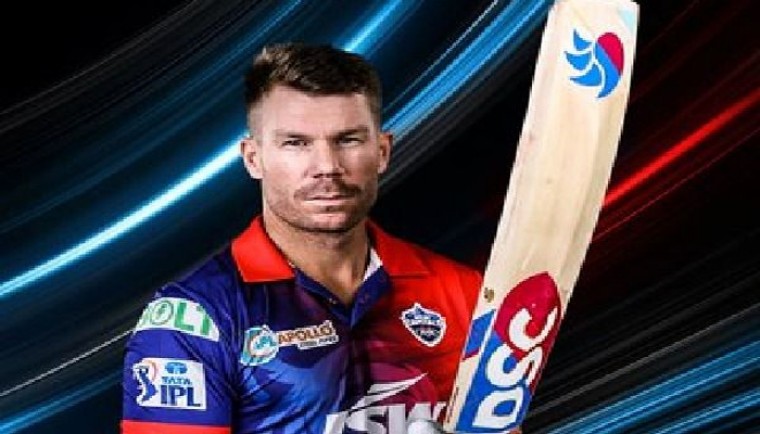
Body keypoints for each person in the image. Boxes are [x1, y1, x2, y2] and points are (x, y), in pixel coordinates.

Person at [122, 43, 486, 434]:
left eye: (348, 140)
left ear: (382, 151)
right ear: (253, 158)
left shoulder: (466, 293)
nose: (327, 166)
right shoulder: (195, 318)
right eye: (296, 143)